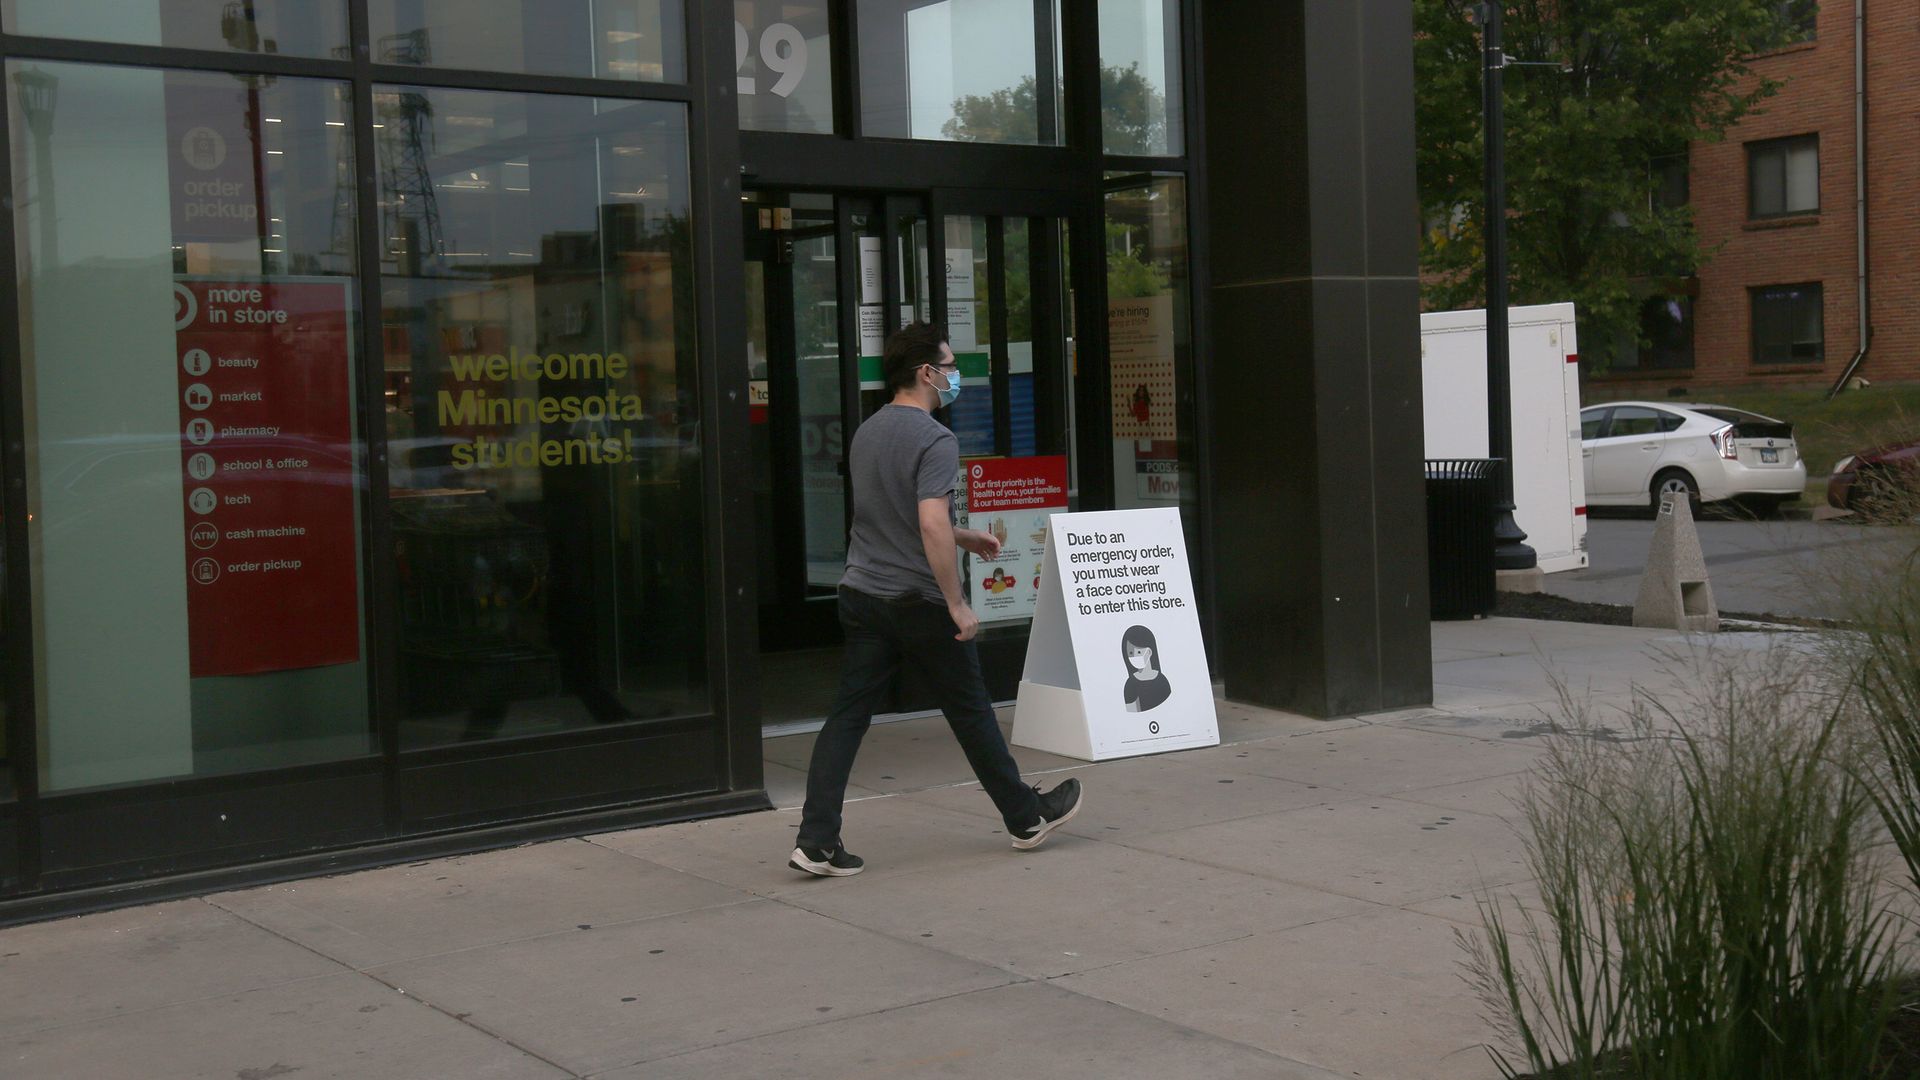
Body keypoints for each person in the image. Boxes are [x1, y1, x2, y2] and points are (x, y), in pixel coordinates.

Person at [789, 322, 1083, 877]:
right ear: (926, 373)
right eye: (950, 368)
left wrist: (965, 536)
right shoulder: (935, 438)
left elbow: (890, 514)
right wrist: (957, 602)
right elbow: (926, 523)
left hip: (862, 594)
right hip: (916, 601)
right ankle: (1026, 818)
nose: (956, 378)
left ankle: (817, 840)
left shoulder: (868, 431)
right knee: (972, 713)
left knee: (847, 718)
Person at [1120, 624, 1172, 712]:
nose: (1134, 657)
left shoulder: (1162, 680)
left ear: (1149, 652)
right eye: (1131, 653)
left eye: (1139, 652)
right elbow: (1132, 712)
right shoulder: (1130, 685)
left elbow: (1171, 705)